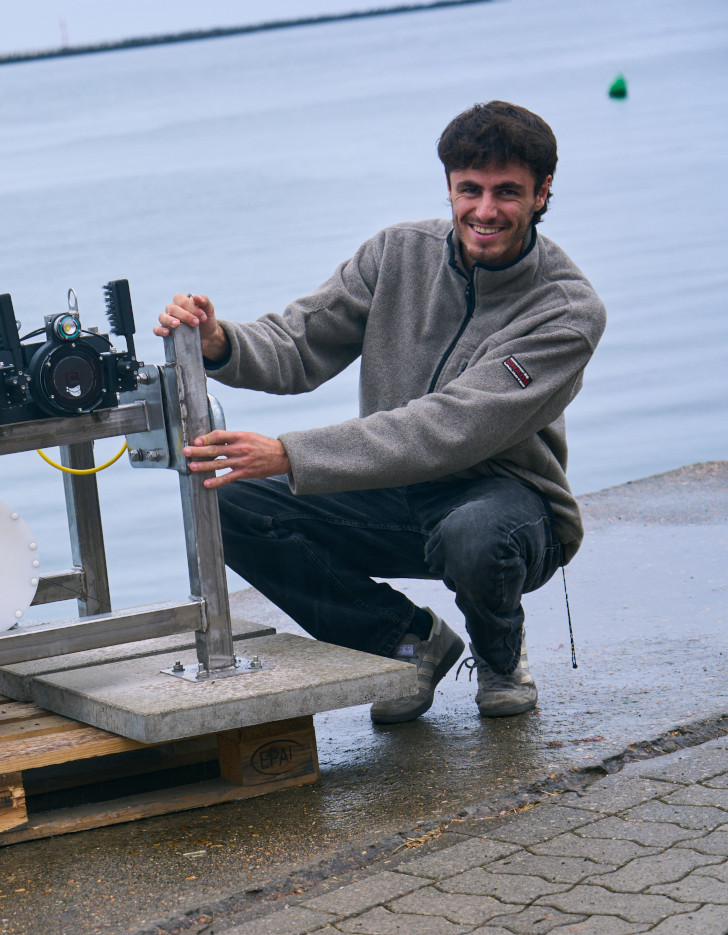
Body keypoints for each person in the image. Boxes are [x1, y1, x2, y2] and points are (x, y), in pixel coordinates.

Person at [154, 100, 604, 727]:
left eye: (507, 192)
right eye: (469, 190)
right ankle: (404, 642)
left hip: (509, 503)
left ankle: (500, 656)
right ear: (448, 185)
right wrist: (220, 342)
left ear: (542, 193)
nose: (484, 210)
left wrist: (291, 454)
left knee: (475, 535)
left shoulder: (567, 311)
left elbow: (452, 426)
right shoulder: (396, 253)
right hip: (392, 493)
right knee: (229, 501)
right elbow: (299, 343)